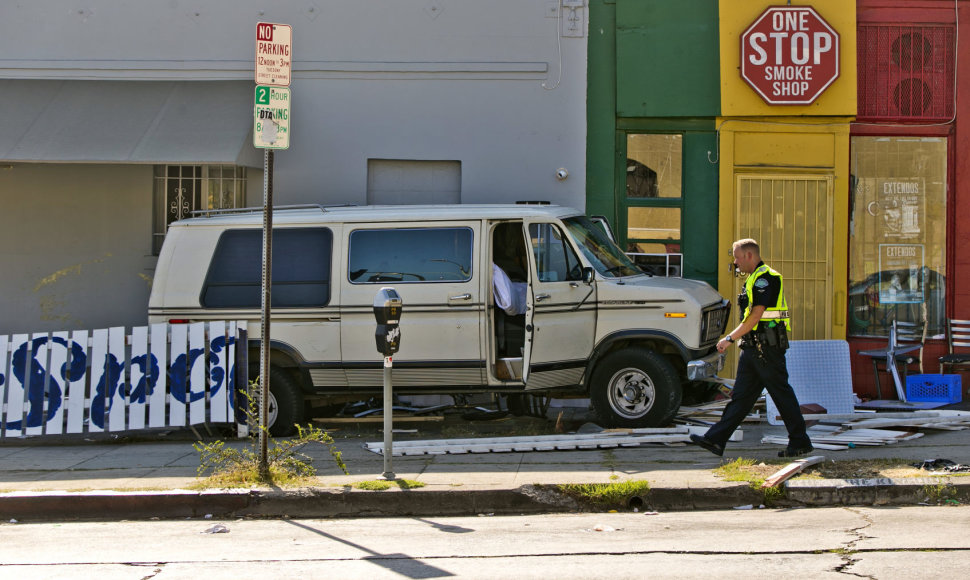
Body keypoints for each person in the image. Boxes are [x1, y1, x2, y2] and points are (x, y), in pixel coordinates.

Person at [690, 238, 813, 458]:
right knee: (742, 397)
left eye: (737, 257)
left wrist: (729, 338)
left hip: (766, 347)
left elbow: (756, 315)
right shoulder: (753, 279)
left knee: (780, 393)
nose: (735, 263)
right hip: (754, 347)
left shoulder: (766, 279)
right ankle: (715, 440)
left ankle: (800, 441)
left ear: (749, 255)